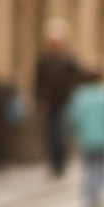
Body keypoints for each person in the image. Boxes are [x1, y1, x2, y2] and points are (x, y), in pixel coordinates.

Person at [67, 67, 104, 207]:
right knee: (102, 168)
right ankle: (100, 196)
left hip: (86, 139)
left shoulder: (79, 95)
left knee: (89, 168)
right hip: (103, 138)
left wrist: (76, 133)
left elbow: (74, 118)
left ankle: (91, 198)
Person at [35, 17, 79, 177]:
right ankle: (54, 165)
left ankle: (61, 164)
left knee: (61, 135)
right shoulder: (43, 60)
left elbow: (76, 81)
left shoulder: (69, 60)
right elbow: (37, 82)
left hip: (64, 103)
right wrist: (38, 100)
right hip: (49, 103)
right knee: (50, 135)